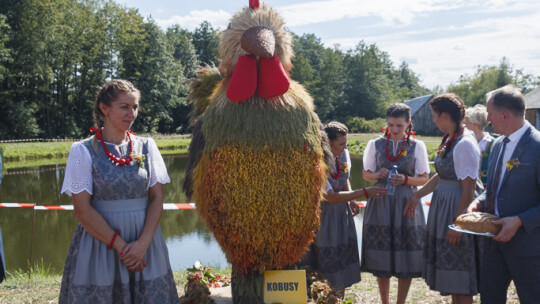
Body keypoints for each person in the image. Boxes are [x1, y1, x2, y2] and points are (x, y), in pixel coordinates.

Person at [58, 79, 179, 303]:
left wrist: (142, 245)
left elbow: (156, 198)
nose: (131, 114)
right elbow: (82, 209)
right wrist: (124, 249)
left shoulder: (147, 146)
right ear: (104, 109)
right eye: (124, 107)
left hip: (145, 242)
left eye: (135, 107)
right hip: (101, 244)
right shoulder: (82, 151)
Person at [404, 93, 481, 304]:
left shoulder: (464, 143)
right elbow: (442, 174)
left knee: (461, 275)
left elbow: (469, 187)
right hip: (443, 206)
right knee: (452, 277)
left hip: (456, 207)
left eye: (434, 116)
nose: (433, 120)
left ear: (445, 115)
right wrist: (418, 195)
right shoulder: (450, 138)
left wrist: (459, 224)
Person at [467, 85, 540, 303]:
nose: (488, 120)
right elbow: (495, 186)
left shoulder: (537, 146)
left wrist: (519, 221)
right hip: (493, 243)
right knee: (489, 298)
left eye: (490, 115)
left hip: (529, 247)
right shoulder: (498, 144)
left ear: (504, 114)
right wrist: (478, 202)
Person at [300, 121, 387, 296]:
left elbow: (345, 176)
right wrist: (363, 192)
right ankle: (322, 295)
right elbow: (330, 197)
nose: (345, 147)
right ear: (329, 144)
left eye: (346, 143)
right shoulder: (317, 162)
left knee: (343, 257)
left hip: (342, 214)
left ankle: (339, 296)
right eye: (341, 143)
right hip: (323, 216)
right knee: (326, 257)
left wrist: (350, 198)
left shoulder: (344, 154)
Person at [361, 103, 430, 304]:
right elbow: (365, 174)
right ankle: (385, 302)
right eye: (391, 125)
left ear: (408, 124)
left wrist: (406, 180)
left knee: (405, 255)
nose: (395, 130)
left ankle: (400, 302)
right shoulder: (375, 144)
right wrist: (377, 175)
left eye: (399, 125)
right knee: (382, 253)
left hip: (406, 203)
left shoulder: (418, 146)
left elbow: (425, 178)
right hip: (381, 201)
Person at [464, 104, 494, 187]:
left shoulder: (494, 144)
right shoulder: (464, 143)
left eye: (466, 123)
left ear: (475, 125)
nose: (464, 126)